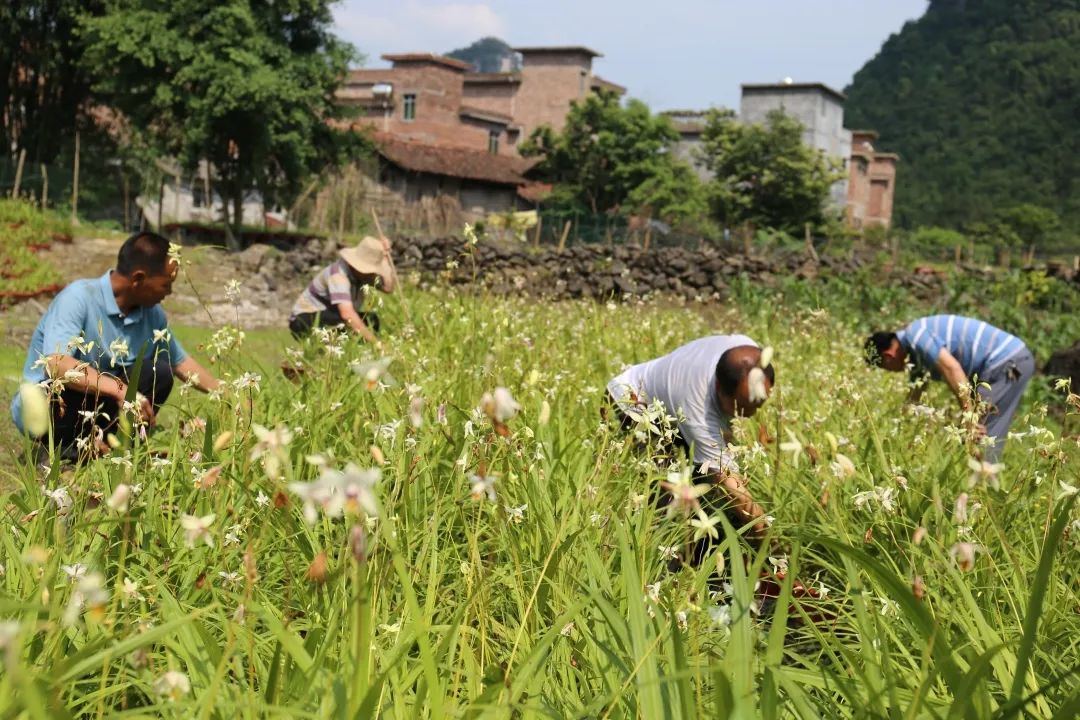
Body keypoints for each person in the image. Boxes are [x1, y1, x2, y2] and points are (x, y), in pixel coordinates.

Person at [10, 231, 220, 462]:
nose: (169, 293)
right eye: (166, 284)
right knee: (57, 388)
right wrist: (121, 391)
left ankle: (112, 446)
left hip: (97, 403)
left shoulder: (151, 314)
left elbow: (180, 362)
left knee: (157, 372)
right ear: (138, 278)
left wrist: (227, 392)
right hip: (45, 407)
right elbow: (56, 364)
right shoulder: (78, 297)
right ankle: (64, 448)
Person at [607, 335, 775, 563]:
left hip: (670, 408)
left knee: (705, 488)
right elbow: (730, 483)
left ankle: (703, 551)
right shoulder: (698, 414)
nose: (752, 414)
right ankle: (660, 565)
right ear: (717, 387)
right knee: (663, 496)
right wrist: (767, 541)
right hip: (631, 403)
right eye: (742, 407)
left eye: (757, 405)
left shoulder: (750, 355)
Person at [864, 314, 1034, 461]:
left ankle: (985, 490)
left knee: (980, 436)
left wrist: (969, 419)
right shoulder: (915, 358)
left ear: (888, 357)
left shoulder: (914, 335)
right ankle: (979, 488)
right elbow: (914, 397)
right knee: (972, 437)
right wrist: (901, 431)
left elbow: (951, 368)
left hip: (1006, 361)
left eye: (887, 369)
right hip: (1010, 359)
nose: (893, 372)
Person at [288, 235, 395, 343]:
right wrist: (376, 343)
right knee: (348, 322)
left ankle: (360, 353)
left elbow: (388, 288)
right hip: (305, 319)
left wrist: (385, 259)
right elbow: (347, 314)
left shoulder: (365, 276)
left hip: (333, 315)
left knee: (371, 320)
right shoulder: (338, 275)